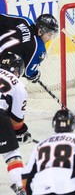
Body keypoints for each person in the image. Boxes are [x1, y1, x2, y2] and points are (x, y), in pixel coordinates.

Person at [0, 52, 32, 195]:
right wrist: (21, 132)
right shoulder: (18, 84)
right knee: (11, 153)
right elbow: (16, 122)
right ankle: (21, 187)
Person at [0, 13, 59, 83]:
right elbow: (28, 73)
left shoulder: (25, 21)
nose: (50, 39)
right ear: (40, 31)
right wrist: (35, 75)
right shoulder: (39, 48)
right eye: (49, 35)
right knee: (15, 66)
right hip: (2, 65)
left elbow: (2, 19)